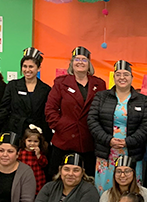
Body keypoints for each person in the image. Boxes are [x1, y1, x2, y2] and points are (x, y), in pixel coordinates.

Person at [88, 60, 147, 193]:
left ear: (132, 78)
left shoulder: (142, 100)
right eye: (118, 74)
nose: (122, 77)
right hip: (107, 152)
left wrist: (127, 142)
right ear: (114, 77)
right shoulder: (101, 97)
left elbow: (146, 126)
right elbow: (92, 121)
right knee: (106, 190)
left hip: (131, 152)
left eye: (126, 74)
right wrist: (108, 140)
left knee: (130, 190)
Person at [45, 46, 106, 177]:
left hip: (88, 139)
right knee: (58, 177)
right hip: (64, 139)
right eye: (77, 59)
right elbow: (51, 107)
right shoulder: (61, 83)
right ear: (71, 63)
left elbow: (102, 109)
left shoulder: (99, 84)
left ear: (89, 64)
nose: (80, 62)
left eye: (84, 60)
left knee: (87, 177)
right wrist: (59, 125)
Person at [0, 48, 52, 143]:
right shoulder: (13, 85)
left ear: (38, 68)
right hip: (14, 131)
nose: (27, 70)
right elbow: (4, 109)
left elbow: (46, 115)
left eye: (31, 67)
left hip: (35, 134)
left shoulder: (46, 89)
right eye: (24, 66)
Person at [18, 125, 48, 194]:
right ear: (24, 141)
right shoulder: (21, 152)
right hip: (24, 178)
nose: (32, 144)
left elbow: (44, 164)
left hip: (37, 178)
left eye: (35, 141)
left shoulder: (39, 153)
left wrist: (38, 155)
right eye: (29, 141)